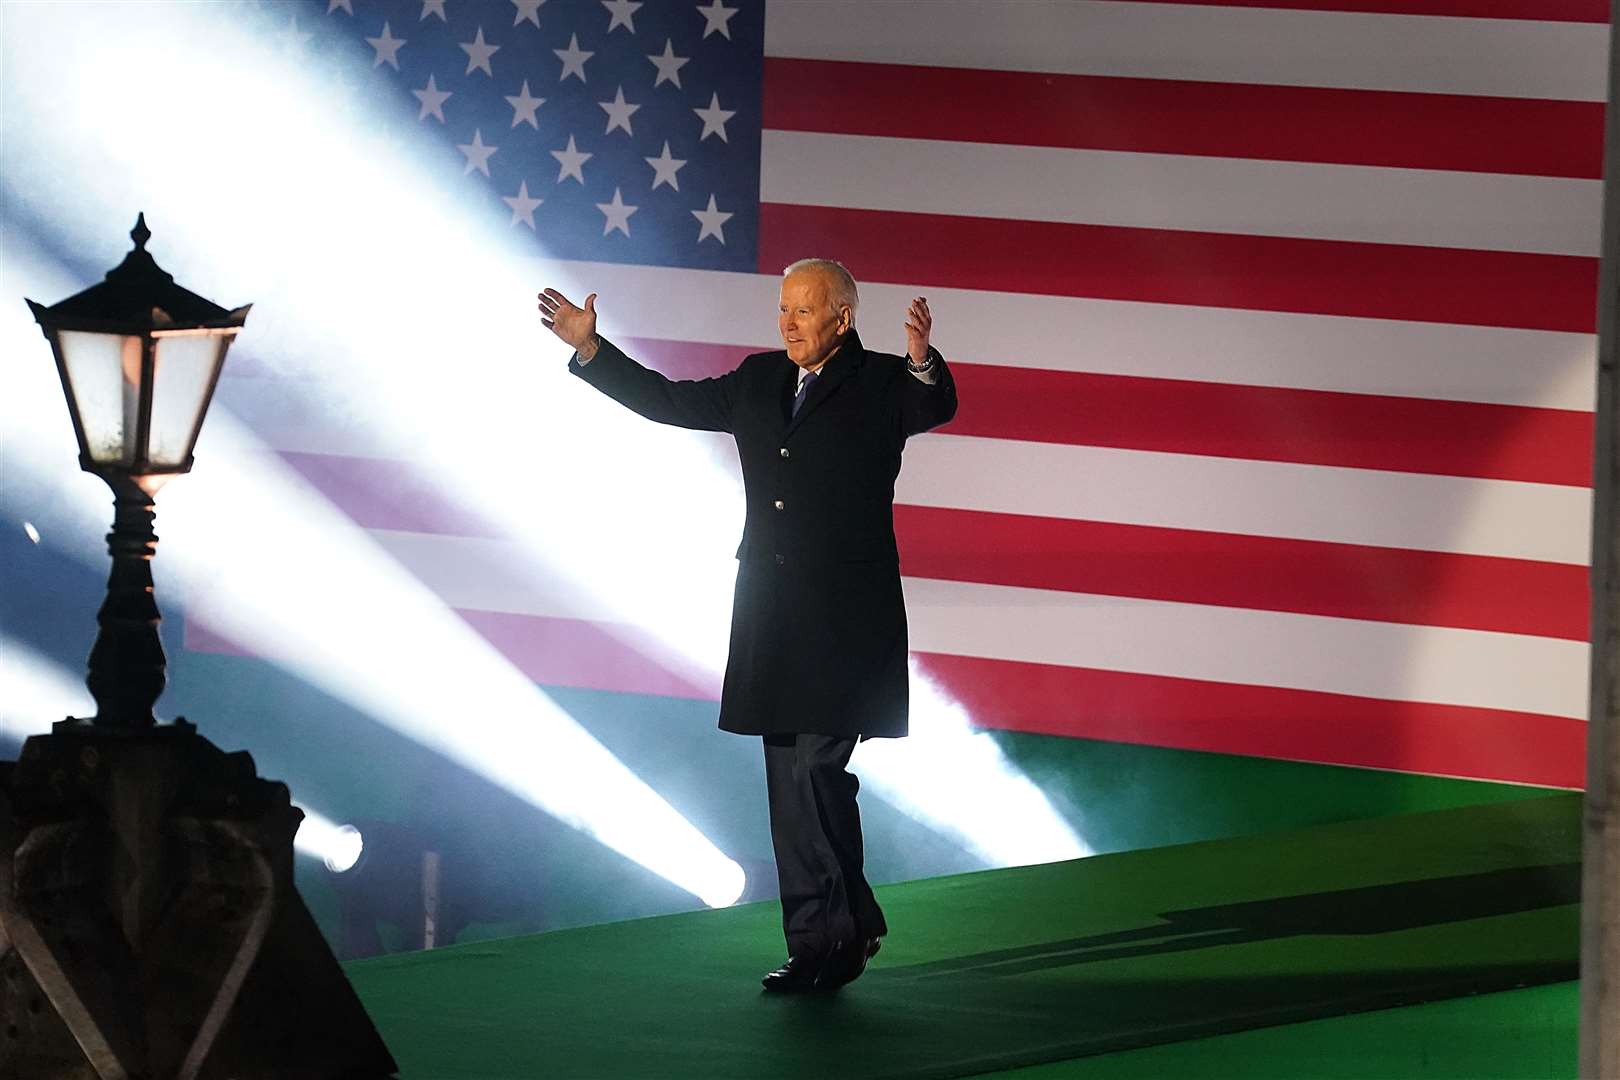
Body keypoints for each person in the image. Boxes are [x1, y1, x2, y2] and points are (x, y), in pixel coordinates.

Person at [538, 258, 957, 992]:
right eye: (783, 308)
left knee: (819, 772)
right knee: (787, 785)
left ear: (841, 319)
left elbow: (934, 406)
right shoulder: (760, 379)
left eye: (803, 311)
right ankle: (817, 941)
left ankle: (845, 934)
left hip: (846, 620)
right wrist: (590, 350)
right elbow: (667, 400)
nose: (787, 322)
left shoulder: (884, 381)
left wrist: (923, 362)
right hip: (771, 611)